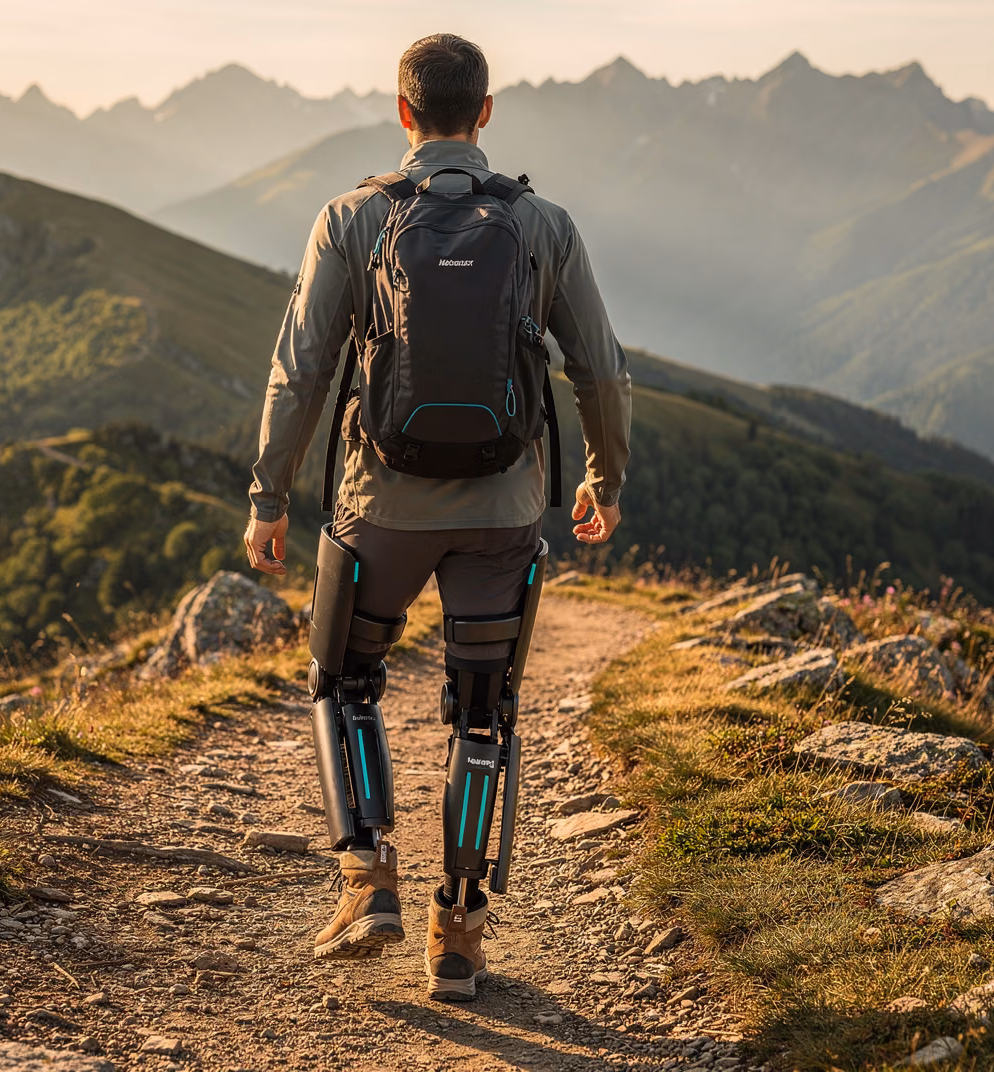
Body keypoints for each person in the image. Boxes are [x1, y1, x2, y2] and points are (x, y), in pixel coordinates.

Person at [241, 32, 632, 1001]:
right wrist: (605, 482)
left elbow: (300, 370)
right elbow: (601, 369)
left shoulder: (353, 219)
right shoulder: (543, 225)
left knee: (344, 677)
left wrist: (269, 496)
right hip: (505, 510)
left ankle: (367, 872)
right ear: (486, 114)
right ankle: (458, 934)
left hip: (382, 509)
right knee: (484, 712)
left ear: (403, 113)